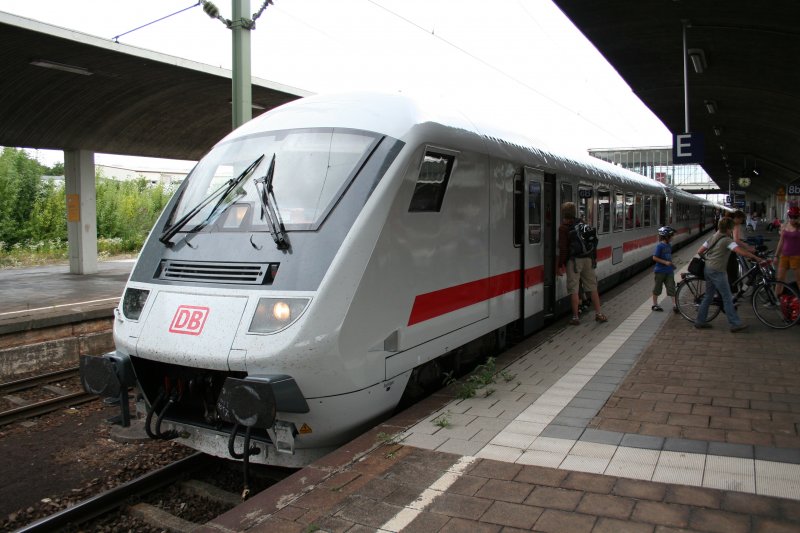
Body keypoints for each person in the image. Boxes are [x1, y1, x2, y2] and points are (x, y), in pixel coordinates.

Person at [694, 217, 768, 332]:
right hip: (718, 271)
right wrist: (755, 258)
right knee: (727, 297)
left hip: (708, 269)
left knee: (708, 296)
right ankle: (735, 324)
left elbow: (699, 251)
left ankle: (700, 321)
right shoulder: (727, 240)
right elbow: (740, 251)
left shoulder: (713, 237)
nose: (732, 230)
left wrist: (708, 260)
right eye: (731, 228)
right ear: (728, 229)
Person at [557, 201, 607, 325]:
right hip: (588, 259)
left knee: (573, 289)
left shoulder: (563, 228)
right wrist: (593, 259)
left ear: (563, 213)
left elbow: (563, 249)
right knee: (592, 287)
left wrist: (559, 265)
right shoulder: (582, 223)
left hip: (574, 262)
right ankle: (599, 314)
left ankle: (575, 317)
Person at [651, 226, 678, 312]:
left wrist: (671, 264)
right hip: (660, 271)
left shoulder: (669, 245)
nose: (673, 237)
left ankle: (674, 305)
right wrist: (665, 262)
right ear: (667, 237)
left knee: (671, 287)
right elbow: (654, 258)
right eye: (672, 236)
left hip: (669, 271)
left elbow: (668, 257)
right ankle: (655, 304)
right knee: (657, 288)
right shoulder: (660, 246)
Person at [774, 206, 800, 295]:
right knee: (780, 278)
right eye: (791, 217)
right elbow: (781, 242)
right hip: (784, 256)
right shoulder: (784, 226)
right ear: (789, 216)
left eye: (795, 217)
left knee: (799, 279)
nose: (793, 219)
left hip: (796, 256)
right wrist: (776, 256)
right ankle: (776, 298)